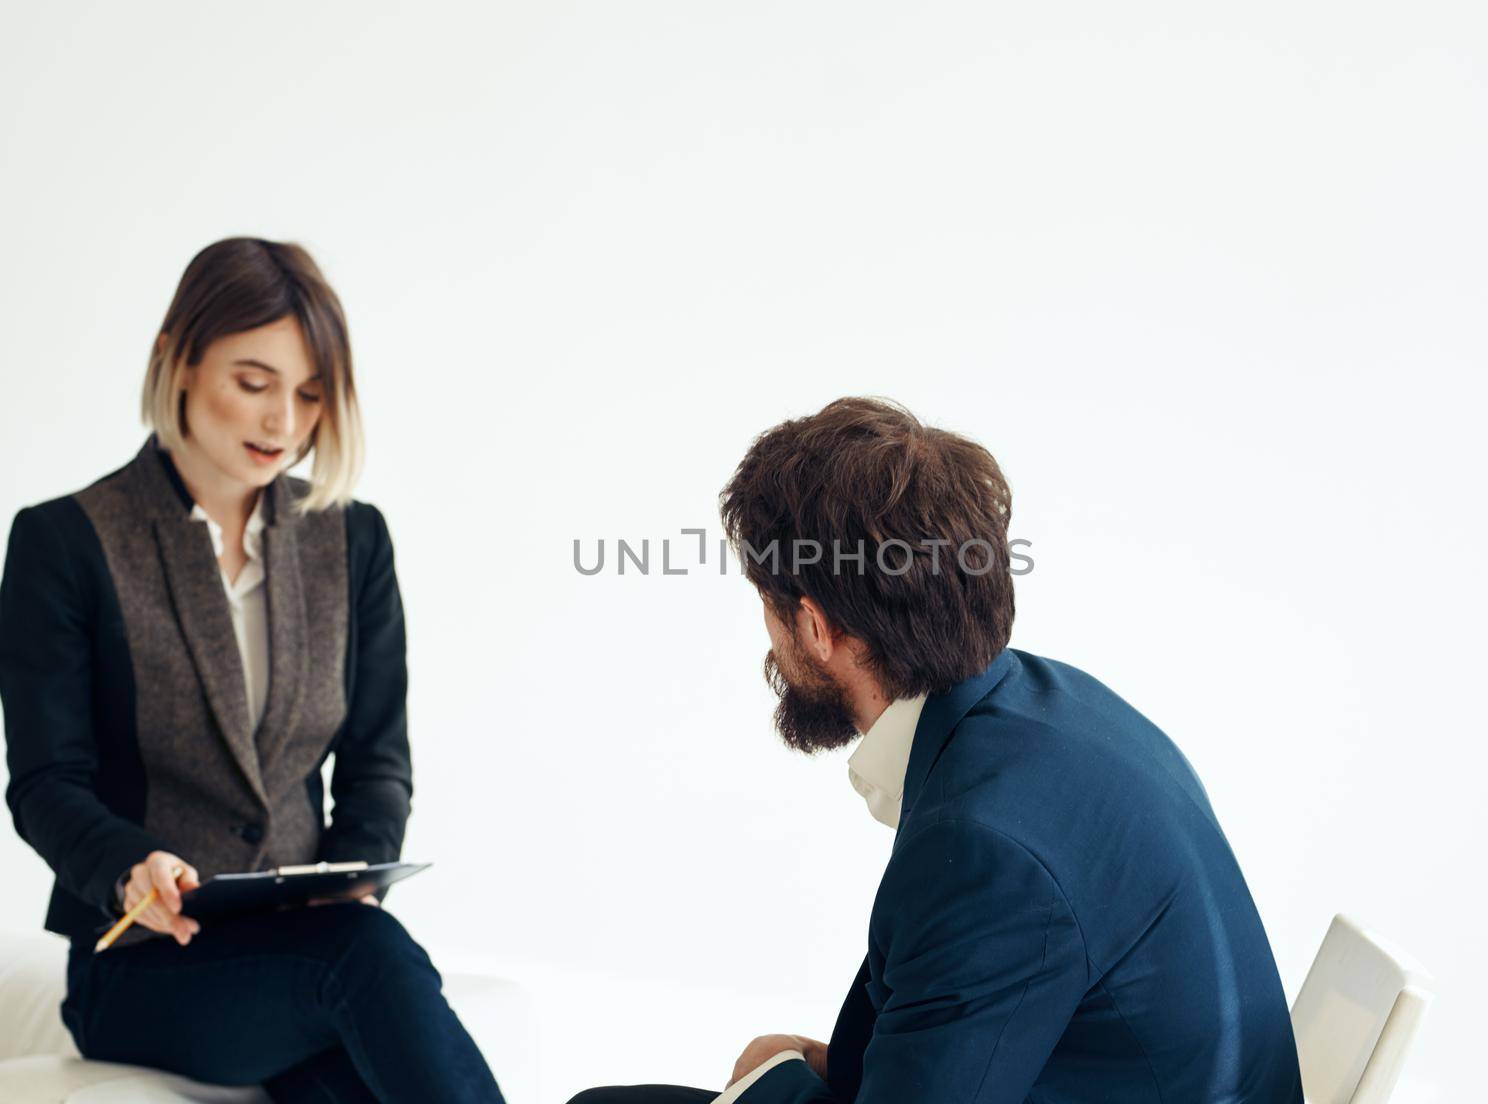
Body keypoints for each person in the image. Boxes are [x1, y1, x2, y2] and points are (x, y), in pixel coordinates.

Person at [569, 398, 1304, 1103]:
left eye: (769, 607)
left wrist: (775, 1080)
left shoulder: (986, 847)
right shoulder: (1058, 706)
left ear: (816, 628)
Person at [0, 238, 505, 1103]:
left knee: (346, 1059)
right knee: (366, 960)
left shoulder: (351, 540)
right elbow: (46, 782)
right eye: (254, 382)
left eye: (310, 394)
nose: (284, 424)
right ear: (180, 361)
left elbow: (378, 763)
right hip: (148, 966)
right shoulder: (65, 542)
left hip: (304, 952)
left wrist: (351, 879)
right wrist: (131, 866)